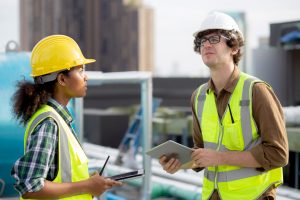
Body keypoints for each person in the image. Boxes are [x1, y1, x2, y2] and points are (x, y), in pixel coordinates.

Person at [159, 11, 288, 200]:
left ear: (234, 47)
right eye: (202, 41)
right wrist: (180, 163)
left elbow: (278, 154)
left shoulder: (257, 91)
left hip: (254, 196)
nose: (207, 44)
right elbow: (202, 152)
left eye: (214, 38)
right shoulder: (199, 97)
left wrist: (220, 158)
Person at [11, 34, 122, 199]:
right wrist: (86, 185)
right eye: (80, 70)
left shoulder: (58, 120)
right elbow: (31, 187)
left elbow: (61, 177)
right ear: (62, 79)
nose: (86, 77)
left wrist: (90, 184)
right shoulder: (49, 123)